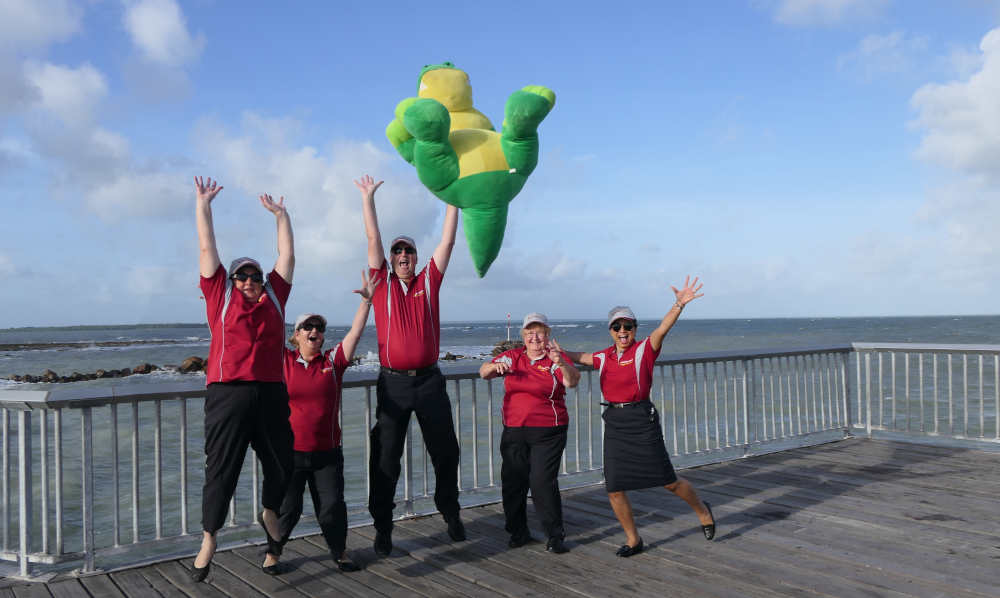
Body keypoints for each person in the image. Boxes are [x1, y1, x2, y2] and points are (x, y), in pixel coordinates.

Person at [563, 276, 716, 557]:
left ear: (634, 328)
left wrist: (679, 304)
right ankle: (634, 539)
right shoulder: (604, 357)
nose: (623, 331)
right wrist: (555, 351)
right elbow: (580, 356)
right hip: (615, 422)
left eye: (627, 326)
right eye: (617, 326)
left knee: (669, 481)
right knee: (614, 488)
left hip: (642, 420)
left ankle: (702, 510)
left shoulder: (644, 349)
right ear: (610, 330)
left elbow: (663, 329)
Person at [191, 176, 295, 581]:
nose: (250, 282)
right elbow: (207, 248)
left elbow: (286, 256)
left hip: (270, 393)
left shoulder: (275, 297)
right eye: (243, 277)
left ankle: (268, 509)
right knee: (221, 470)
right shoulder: (219, 295)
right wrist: (204, 206)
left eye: (255, 276)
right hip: (227, 395)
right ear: (232, 281)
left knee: (283, 466)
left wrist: (282, 216)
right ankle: (209, 538)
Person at [355, 173, 464, 557]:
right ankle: (383, 529)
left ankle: (449, 511)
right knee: (386, 459)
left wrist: (453, 197)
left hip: (430, 383)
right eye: (398, 252)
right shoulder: (380, 283)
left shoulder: (429, 282)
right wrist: (368, 198)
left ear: (416, 259)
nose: (403, 257)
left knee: (446, 452)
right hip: (394, 385)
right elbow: (372, 240)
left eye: (409, 253)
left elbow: (447, 241)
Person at [269, 271, 378, 573]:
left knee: (331, 508)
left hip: (327, 453)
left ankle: (340, 552)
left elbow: (355, 333)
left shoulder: (332, 362)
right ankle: (273, 553)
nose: (314, 330)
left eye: (319, 327)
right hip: (290, 454)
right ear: (296, 335)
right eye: (307, 327)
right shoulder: (283, 360)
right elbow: (265, 328)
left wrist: (366, 304)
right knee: (288, 510)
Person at [480, 313, 580, 554]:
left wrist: (561, 363)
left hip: (549, 430)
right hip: (514, 429)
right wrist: (495, 366)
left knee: (541, 482)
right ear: (523, 337)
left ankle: (555, 536)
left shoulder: (556, 357)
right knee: (513, 482)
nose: (535, 337)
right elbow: (483, 372)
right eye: (529, 333)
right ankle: (518, 532)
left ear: (547, 335)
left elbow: (573, 381)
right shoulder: (513, 356)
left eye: (539, 333)